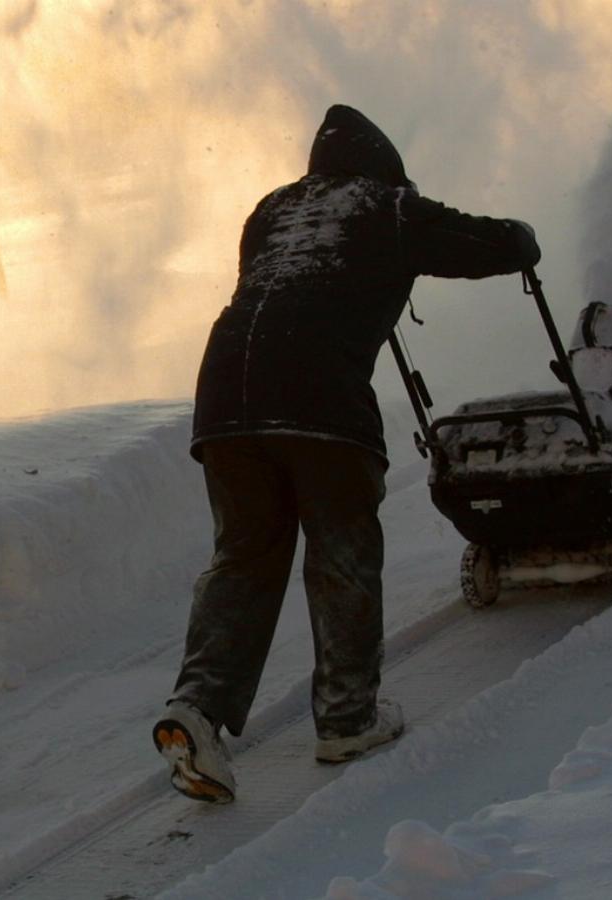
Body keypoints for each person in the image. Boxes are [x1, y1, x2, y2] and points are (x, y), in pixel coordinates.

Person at [151, 104, 541, 803]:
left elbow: (289, 288)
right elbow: (483, 244)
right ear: (383, 166)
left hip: (226, 400)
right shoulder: (386, 205)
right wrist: (523, 239)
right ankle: (347, 717)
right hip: (319, 399)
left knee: (244, 558)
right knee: (342, 549)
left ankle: (197, 710)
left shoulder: (270, 211)